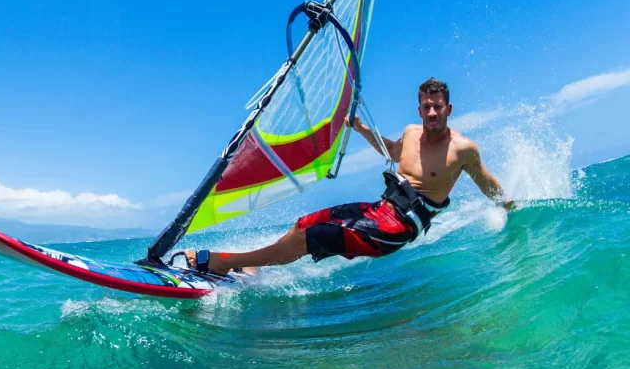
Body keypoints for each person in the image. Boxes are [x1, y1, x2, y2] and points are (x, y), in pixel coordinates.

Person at [181, 78, 515, 276]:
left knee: (312, 238)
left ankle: (224, 263)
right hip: (378, 210)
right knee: (302, 224)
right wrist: (360, 128)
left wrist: (511, 206)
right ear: (418, 109)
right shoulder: (412, 133)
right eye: (426, 106)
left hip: (397, 229)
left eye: (437, 106)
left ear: (448, 109)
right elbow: (393, 154)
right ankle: (252, 266)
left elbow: (486, 181)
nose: (432, 112)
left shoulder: (462, 149)